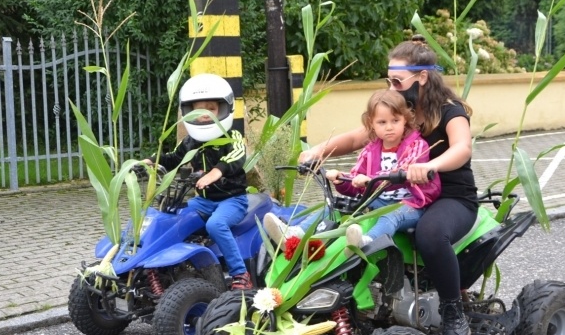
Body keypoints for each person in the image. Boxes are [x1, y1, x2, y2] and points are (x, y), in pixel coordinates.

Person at [299, 36, 478, 335]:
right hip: (401, 191)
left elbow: (463, 148)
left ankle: (454, 313)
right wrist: (317, 151)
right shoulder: (399, 111)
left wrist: (430, 166)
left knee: (431, 234)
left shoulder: (451, 112)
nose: (392, 87)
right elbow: (358, 137)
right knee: (343, 215)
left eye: (398, 80)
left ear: (422, 77)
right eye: (389, 80)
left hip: (449, 196)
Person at [263, 89, 441, 252]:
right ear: (371, 124)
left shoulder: (417, 145)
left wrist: (368, 179)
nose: (389, 127)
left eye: (395, 121)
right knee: (336, 205)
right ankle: (295, 233)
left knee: (391, 216)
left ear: (406, 120)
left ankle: (366, 242)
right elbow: (356, 178)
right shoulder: (370, 150)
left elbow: (404, 169)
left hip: (410, 205)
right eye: (382, 122)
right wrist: (342, 179)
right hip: (376, 201)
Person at [144, 73, 253, 291]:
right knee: (173, 217)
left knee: (216, 225)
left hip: (232, 200)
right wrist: (153, 161)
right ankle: (169, 268)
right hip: (203, 201)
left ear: (223, 109)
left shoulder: (233, 138)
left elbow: (236, 157)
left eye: (210, 109)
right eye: (198, 110)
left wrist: (215, 172)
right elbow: (174, 158)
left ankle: (240, 274)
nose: (204, 115)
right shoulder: (189, 142)